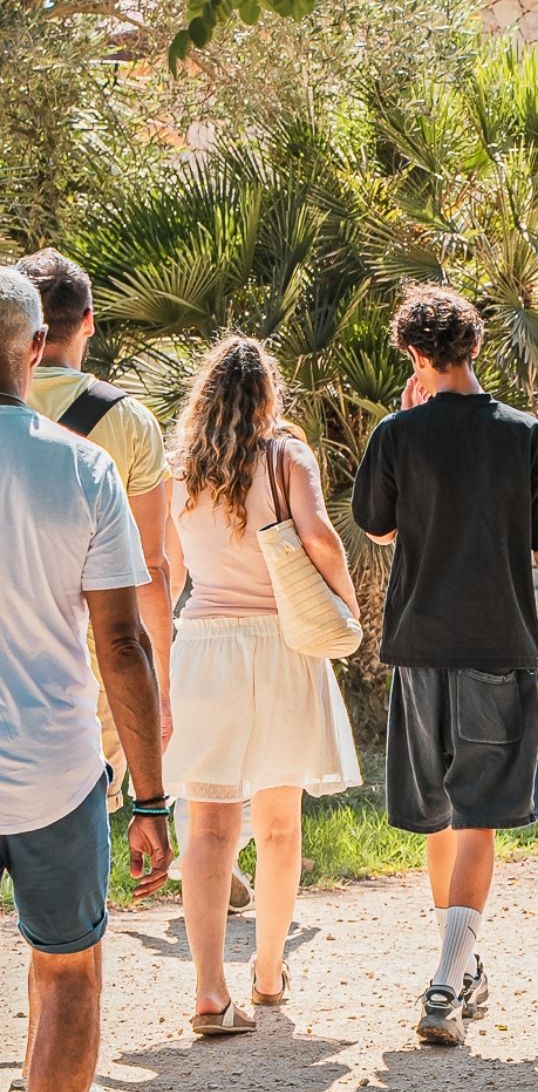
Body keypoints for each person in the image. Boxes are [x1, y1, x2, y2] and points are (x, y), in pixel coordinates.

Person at [351, 284, 538, 1047]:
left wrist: (409, 423)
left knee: (440, 814)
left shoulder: (397, 433)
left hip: (419, 646)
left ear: (416, 357)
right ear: (477, 347)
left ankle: (459, 967)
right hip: (499, 645)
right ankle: (449, 980)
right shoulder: (525, 435)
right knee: (480, 809)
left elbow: (381, 531)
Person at [14, 252, 254, 924]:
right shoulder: (126, 422)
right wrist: (162, 683)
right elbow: (151, 567)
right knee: (71, 857)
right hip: (89, 660)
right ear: (86, 321)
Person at [0, 266, 171, 1092]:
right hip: (56, 772)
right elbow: (122, 642)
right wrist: (151, 798)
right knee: (68, 972)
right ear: (37, 350)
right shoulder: (83, 466)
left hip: (51, 772)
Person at [165, 338, 362, 1035]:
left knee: (212, 828)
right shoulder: (286, 456)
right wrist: (347, 607)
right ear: (269, 397)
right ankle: (271, 973)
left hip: (205, 651)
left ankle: (209, 990)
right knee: (279, 827)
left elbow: (169, 572)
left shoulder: (181, 469)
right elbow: (322, 540)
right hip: (281, 646)